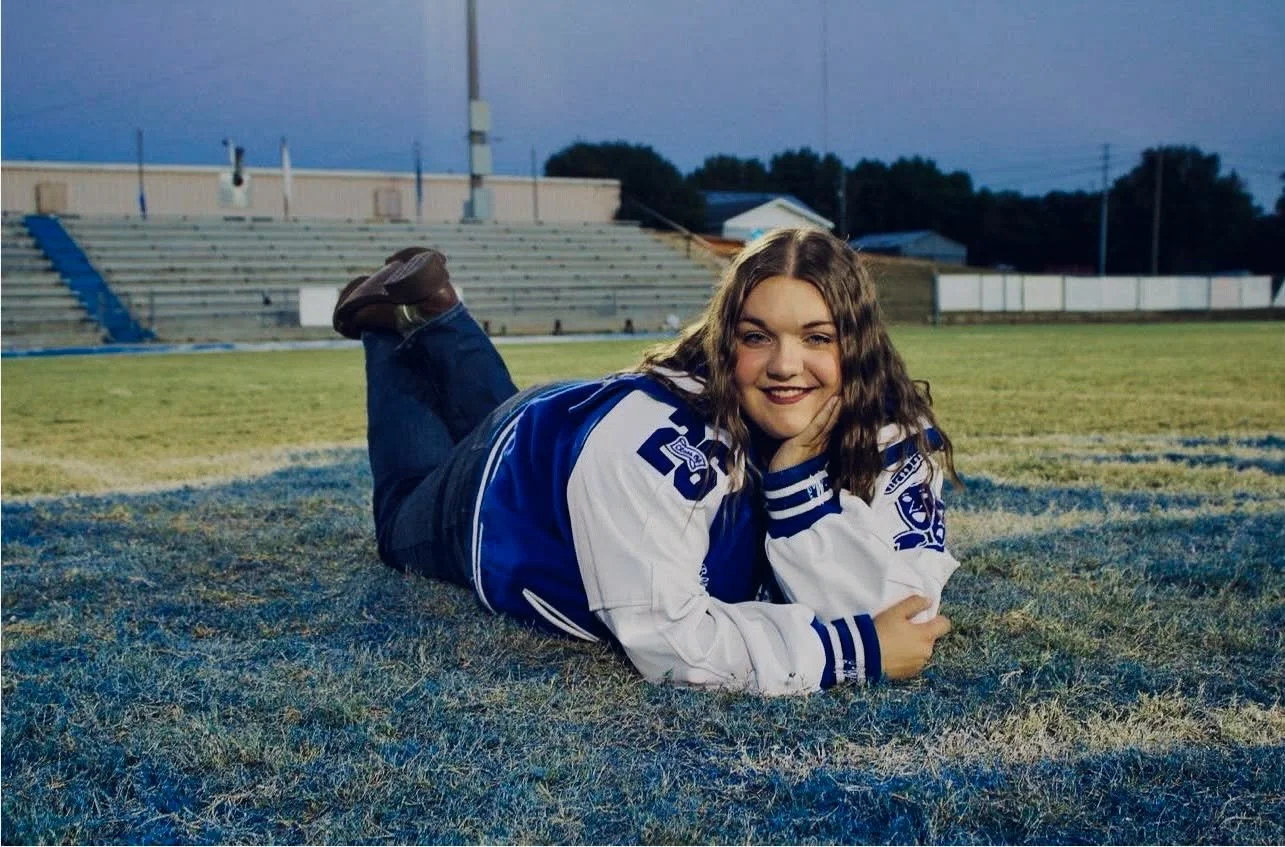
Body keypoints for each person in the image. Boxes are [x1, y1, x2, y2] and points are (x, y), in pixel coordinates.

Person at [333, 227, 959, 696]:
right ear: (725, 339)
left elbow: (906, 610)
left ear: (859, 341)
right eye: (757, 336)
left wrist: (796, 482)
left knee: (493, 416)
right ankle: (386, 330)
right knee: (400, 520)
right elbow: (669, 642)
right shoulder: (657, 447)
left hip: (570, 431)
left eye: (818, 337)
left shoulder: (891, 424)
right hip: (511, 483)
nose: (786, 365)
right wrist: (848, 653)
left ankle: (441, 310)